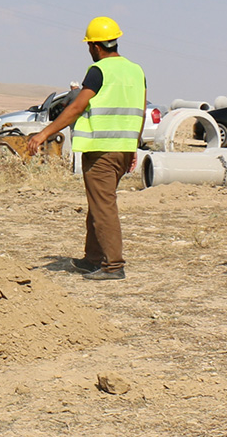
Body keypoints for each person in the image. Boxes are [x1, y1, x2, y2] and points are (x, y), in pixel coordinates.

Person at [22, 16, 146, 281]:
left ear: (95, 46)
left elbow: (77, 106)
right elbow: (140, 111)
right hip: (122, 149)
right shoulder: (136, 70)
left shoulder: (98, 71)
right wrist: (133, 146)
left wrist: (44, 132)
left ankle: (113, 265)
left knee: (103, 207)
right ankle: (92, 259)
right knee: (98, 204)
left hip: (101, 150)